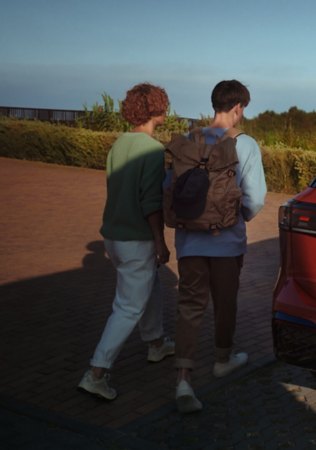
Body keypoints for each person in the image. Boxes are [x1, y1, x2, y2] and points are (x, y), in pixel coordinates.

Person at [171, 80, 267, 413]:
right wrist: (234, 218)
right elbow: (255, 200)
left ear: (214, 104)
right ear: (238, 107)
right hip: (226, 241)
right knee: (224, 303)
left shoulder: (187, 141)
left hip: (188, 241)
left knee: (189, 305)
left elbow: (169, 188)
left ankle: (183, 379)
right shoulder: (245, 144)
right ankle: (222, 360)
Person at [77, 83, 174, 401]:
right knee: (128, 307)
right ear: (155, 110)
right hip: (137, 238)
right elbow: (150, 202)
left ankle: (157, 343)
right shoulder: (153, 149)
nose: (166, 111)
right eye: (163, 106)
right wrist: (160, 241)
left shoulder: (119, 144)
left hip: (113, 237)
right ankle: (96, 373)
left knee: (151, 287)